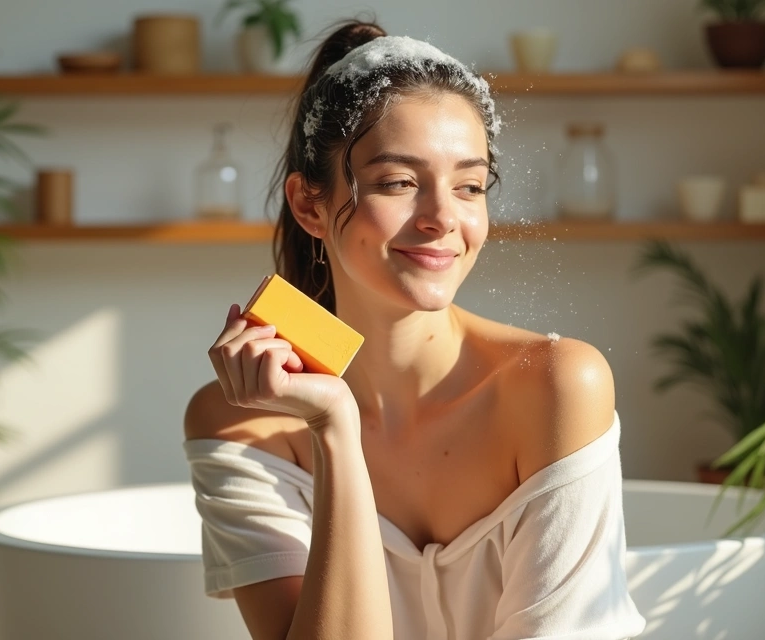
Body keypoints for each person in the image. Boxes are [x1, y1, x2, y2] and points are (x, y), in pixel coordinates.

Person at [183, 19, 646, 640]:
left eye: (470, 186)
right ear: (309, 206)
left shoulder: (557, 387)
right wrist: (334, 426)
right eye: (398, 183)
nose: (442, 219)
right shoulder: (242, 422)